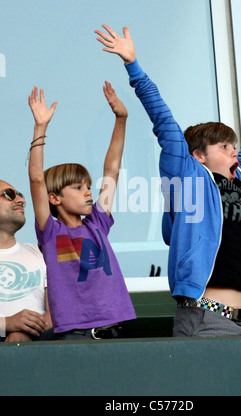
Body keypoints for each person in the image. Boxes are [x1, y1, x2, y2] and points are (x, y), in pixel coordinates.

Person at [95, 25, 241, 337]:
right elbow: (164, 122)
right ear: (198, 155)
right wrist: (133, 65)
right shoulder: (188, 177)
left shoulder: (239, 177)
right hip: (206, 320)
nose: (233, 152)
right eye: (223, 147)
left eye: (234, 146)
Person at [27, 81, 136, 340]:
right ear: (54, 198)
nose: (88, 192)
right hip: (73, 334)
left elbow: (112, 169)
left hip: (112, 330)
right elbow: (36, 180)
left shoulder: (97, 223)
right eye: (77, 187)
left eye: (88, 186)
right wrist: (40, 127)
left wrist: (121, 118)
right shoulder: (50, 232)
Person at [0, 180, 53, 343]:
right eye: (9, 195)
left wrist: (26, 335)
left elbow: (56, 313)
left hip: (39, 351)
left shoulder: (41, 253)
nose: (21, 200)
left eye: (20, 196)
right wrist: (6, 324)